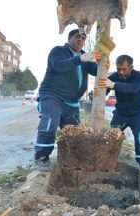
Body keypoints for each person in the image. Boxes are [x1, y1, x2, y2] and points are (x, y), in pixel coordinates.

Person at [33, 29, 99, 171]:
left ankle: (67, 159)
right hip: (52, 96)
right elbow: (59, 65)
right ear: (69, 39)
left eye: (83, 38)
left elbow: (97, 71)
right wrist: (80, 59)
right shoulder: (58, 51)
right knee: (51, 119)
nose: (80, 40)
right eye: (77, 37)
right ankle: (41, 156)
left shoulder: (84, 57)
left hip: (72, 101)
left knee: (72, 131)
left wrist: (103, 63)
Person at [99, 54, 140, 172]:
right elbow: (103, 91)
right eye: (118, 69)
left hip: (138, 113)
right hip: (121, 113)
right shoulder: (114, 77)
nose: (121, 72)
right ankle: (108, 161)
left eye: (124, 69)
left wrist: (113, 85)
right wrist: (98, 90)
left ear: (131, 67)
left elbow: (132, 88)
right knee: (111, 136)